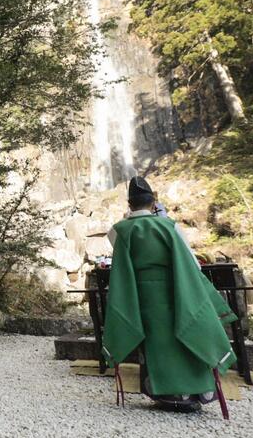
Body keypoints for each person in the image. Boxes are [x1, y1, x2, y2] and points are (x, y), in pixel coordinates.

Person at [102, 176, 238, 414]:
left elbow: (123, 267)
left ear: (129, 204)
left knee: (156, 343)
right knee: (184, 334)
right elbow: (189, 262)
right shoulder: (170, 226)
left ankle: (167, 393)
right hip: (176, 292)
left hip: (142, 297)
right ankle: (197, 391)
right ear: (154, 203)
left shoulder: (119, 231)